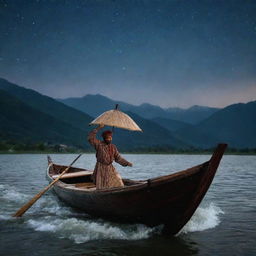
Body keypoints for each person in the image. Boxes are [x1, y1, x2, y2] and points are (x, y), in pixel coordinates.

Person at [88, 124, 133, 189]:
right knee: (102, 186)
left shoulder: (113, 147)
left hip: (110, 167)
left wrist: (127, 163)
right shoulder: (99, 144)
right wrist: (98, 128)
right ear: (104, 138)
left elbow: (118, 158)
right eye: (107, 138)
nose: (109, 139)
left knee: (118, 183)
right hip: (101, 168)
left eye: (110, 138)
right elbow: (90, 138)